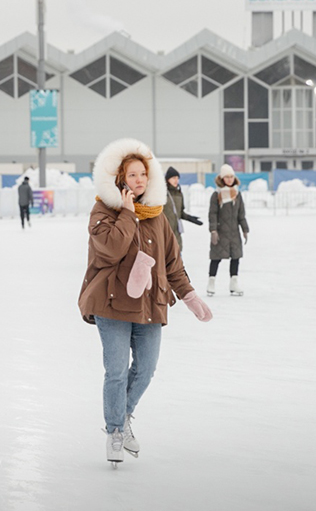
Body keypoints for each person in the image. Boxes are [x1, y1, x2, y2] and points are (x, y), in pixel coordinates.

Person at [78, 138, 212, 467]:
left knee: (146, 369)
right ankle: (114, 432)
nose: (139, 180)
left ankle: (122, 416)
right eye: (132, 175)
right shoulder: (103, 212)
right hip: (112, 305)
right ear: (119, 179)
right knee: (116, 372)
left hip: (150, 306)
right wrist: (126, 213)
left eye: (143, 174)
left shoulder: (158, 216)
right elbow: (110, 248)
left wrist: (189, 295)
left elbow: (171, 263)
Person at [208, 164, 249, 296]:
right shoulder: (216, 195)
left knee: (235, 258)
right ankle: (211, 282)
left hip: (234, 232)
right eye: (227, 177)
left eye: (232, 176)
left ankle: (233, 283)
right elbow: (212, 214)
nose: (230, 179)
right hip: (221, 232)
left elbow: (241, 214)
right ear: (222, 178)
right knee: (216, 258)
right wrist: (213, 230)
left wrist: (245, 229)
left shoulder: (237, 194)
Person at [162, 166, 202, 253]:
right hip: (164, 233)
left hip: (176, 233)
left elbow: (179, 213)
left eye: (177, 178)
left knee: (178, 260)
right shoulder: (162, 193)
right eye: (173, 178)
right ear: (167, 179)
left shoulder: (179, 193)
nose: (176, 180)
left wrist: (190, 218)